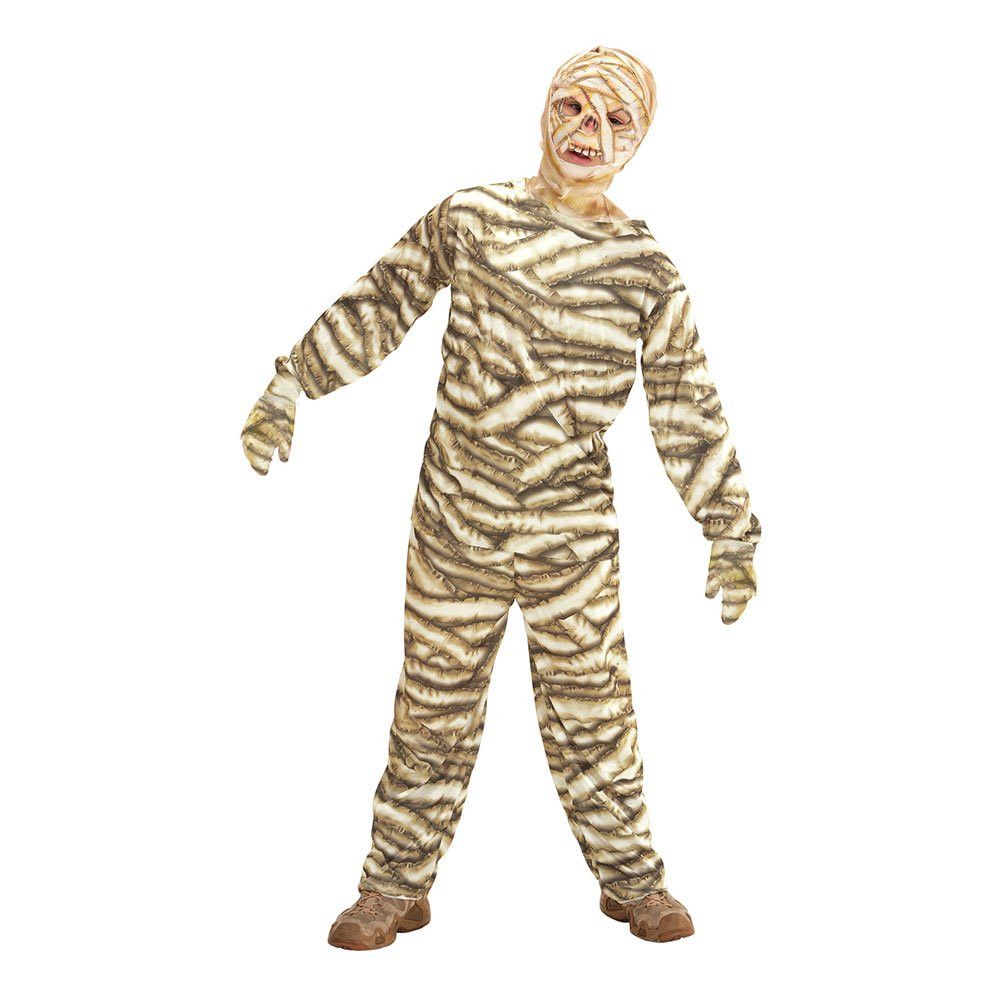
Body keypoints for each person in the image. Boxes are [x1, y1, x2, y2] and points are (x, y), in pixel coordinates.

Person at [241, 45, 761, 949]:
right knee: (431, 711)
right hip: (457, 527)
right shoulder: (473, 217)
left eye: (615, 120)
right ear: (545, 109)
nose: (588, 132)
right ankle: (393, 888)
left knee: (595, 713)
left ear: (639, 140)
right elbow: (383, 300)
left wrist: (730, 529)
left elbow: (686, 401)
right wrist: (292, 382)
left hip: (571, 541)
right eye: (574, 107)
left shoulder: (645, 268)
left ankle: (633, 881)